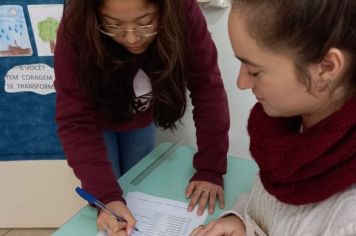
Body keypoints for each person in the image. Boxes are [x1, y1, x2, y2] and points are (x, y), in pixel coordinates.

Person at [54, 0, 230, 234]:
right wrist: (106, 198)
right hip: (94, 117)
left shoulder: (183, 10)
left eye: (145, 24)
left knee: (140, 182)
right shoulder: (77, 21)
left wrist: (211, 168)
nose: (131, 39)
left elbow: (207, 88)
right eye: (113, 25)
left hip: (140, 114)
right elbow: (76, 121)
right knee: (109, 191)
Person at [190, 0, 356, 235]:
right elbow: (265, 204)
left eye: (254, 71)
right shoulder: (284, 130)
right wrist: (241, 222)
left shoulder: (349, 216)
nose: (241, 82)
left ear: (326, 67)